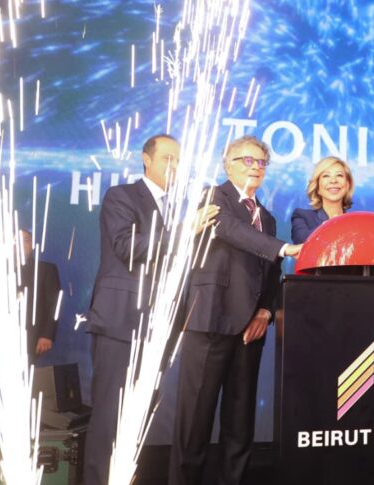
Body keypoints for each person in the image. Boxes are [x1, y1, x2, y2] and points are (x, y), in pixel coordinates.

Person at [84, 134, 219, 485]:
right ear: (146, 159)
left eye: (179, 160)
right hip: (121, 323)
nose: (174, 166)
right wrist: (186, 231)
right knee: (110, 418)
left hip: (159, 329)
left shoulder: (177, 209)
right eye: (167, 158)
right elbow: (129, 247)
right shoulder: (122, 196)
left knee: (138, 420)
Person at [169, 135, 301, 485]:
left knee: (240, 421)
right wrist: (285, 248)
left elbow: (271, 272)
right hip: (210, 320)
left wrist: (266, 311)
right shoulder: (213, 197)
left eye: (261, 162)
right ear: (227, 164)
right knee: (195, 421)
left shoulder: (267, 218)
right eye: (247, 160)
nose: (255, 167)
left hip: (249, 330)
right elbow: (230, 230)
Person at [18, 229, 61, 364]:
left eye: (26, 240)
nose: (21, 244)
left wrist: (47, 334)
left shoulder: (46, 269)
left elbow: (54, 304)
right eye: (17, 240)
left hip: (31, 338)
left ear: (32, 244)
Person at [291, 156, 354, 243]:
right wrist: (329, 227)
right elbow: (301, 240)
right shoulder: (302, 216)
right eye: (326, 176)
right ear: (317, 187)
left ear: (347, 185)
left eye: (339, 175)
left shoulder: (355, 222)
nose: (333, 181)